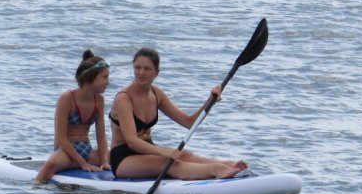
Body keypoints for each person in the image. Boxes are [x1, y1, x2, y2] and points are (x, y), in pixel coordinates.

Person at [109, 47, 248, 180]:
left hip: (148, 152)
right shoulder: (124, 98)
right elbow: (132, 142)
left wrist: (209, 102)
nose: (141, 72)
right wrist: (165, 152)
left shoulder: (156, 94)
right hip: (123, 159)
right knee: (169, 163)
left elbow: (189, 123)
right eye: (137, 67)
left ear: (156, 72)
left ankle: (226, 164)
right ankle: (216, 169)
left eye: (147, 69)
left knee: (185, 156)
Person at [36, 51, 111, 183]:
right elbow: (61, 138)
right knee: (51, 164)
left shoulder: (99, 100)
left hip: (86, 149)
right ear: (90, 78)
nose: (108, 82)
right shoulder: (67, 98)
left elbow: (101, 136)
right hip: (66, 151)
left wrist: (105, 162)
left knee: (115, 156)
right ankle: (36, 185)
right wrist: (83, 164)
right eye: (105, 77)